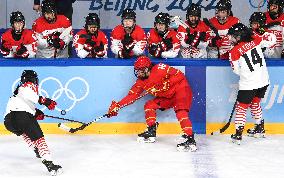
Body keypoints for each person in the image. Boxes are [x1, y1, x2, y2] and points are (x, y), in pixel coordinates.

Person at [106, 56, 197, 152]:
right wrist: (118, 106)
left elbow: (180, 75)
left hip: (181, 90)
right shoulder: (140, 82)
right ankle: (151, 131)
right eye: (137, 70)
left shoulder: (160, 68)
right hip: (168, 97)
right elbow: (132, 96)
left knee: (181, 113)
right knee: (149, 105)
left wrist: (166, 84)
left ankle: (190, 139)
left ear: (147, 68)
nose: (138, 73)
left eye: (140, 70)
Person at [4, 70, 62, 175]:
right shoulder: (28, 86)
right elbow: (29, 94)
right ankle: (49, 163)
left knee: (24, 133)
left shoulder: (16, 94)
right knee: (40, 139)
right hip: (22, 116)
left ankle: (36, 150)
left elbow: (24, 103)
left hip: (8, 121)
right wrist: (45, 101)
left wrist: (36, 113)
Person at [228, 23, 276, 145]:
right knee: (255, 103)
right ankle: (260, 128)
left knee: (241, 108)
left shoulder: (234, 51)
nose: (231, 39)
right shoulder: (256, 39)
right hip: (263, 81)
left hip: (249, 84)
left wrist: (247, 73)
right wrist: (263, 32)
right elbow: (272, 41)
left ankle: (238, 134)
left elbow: (236, 71)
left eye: (233, 36)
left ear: (239, 37)